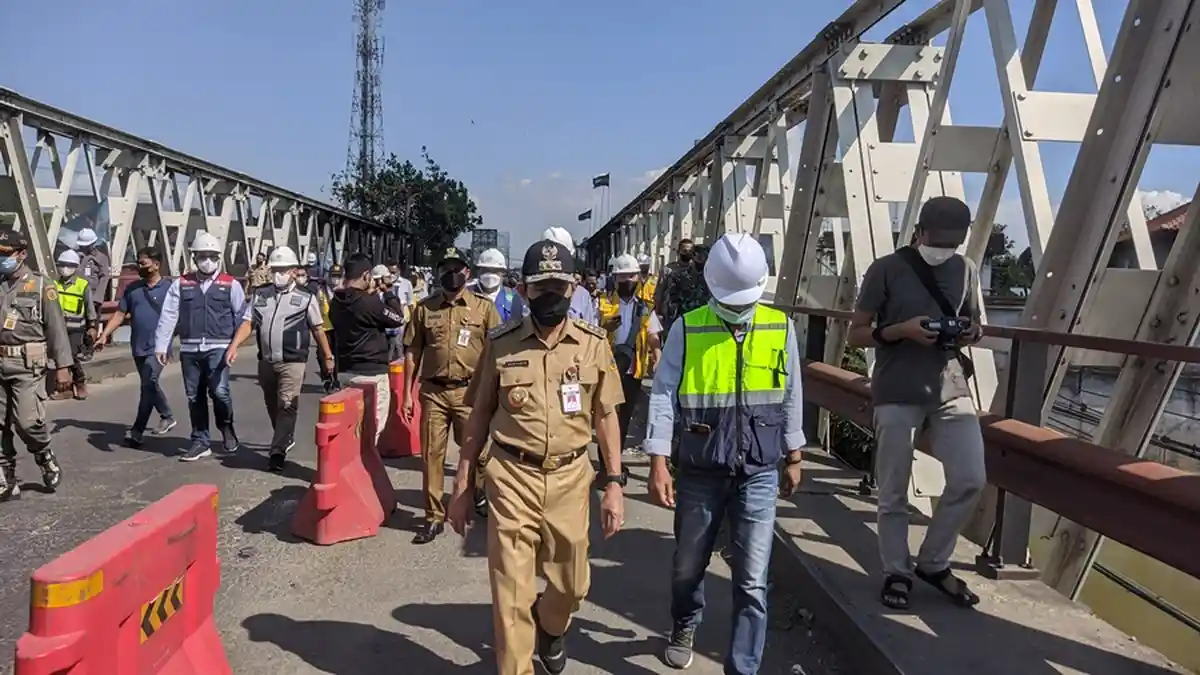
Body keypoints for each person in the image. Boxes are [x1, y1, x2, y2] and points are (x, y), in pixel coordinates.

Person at [446, 239, 626, 675]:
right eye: (540, 287)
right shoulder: (501, 345)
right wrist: (463, 484)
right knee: (510, 595)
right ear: (524, 291)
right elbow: (479, 417)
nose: (550, 295)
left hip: (570, 479)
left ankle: (550, 625)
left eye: (559, 287)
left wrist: (615, 484)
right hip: (511, 476)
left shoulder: (592, 344)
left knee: (572, 586)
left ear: (572, 290)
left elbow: (606, 416)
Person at [645, 233, 805, 673]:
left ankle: (743, 668)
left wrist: (795, 453)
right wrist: (658, 460)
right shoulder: (688, 327)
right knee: (688, 563)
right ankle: (685, 621)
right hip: (700, 467)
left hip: (759, 468)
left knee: (753, 581)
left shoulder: (779, 326)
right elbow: (662, 395)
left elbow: (791, 392)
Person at [846, 195, 986, 611]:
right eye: (938, 240)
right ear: (920, 231)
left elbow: (978, 324)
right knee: (893, 490)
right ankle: (896, 571)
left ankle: (933, 562)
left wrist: (968, 333)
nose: (945, 249)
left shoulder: (967, 270)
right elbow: (856, 333)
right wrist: (900, 331)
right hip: (896, 388)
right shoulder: (887, 269)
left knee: (970, 477)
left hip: (949, 386)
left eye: (953, 243)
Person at [402, 247, 501, 544]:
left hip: (470, 392)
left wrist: (496, 393)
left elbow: (498, 352)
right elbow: (412, 351)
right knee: (432, 455)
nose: (452, 275)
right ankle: (433, 516)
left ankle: (480, 494)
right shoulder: (424, 309)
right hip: (433, 391)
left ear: (467, 273)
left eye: (457, 269)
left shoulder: (483, 309)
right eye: (446, 269)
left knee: (480, 454)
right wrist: (407, 393)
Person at [227, 246, 335, 472]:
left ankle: (277, 451)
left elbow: (317, 328)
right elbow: (248, 323)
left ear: (294, 271)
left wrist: (327, 355)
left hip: (293, 362)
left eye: (283, 270)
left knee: (287, 404)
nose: (278, 274)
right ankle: (284, 436)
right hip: (266, 360)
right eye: (275, 269)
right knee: (272, 404)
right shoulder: (260, 294)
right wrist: (234, 345)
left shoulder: (305, 298)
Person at [154, 231, 244, 462]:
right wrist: (162, 345)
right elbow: (169, 315)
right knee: (194, 396)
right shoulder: (181, 284)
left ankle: (226, 426)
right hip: (190, 349)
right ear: (194, 258)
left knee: (219, 392)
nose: (207, 261)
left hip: (219, 347)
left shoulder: (230, 285)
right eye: (202, 256)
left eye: (212, 256)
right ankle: (200, 441)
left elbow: (242, 317)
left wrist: (234, 345)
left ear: (218, 258)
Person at [0, 228, 73, 501]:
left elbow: (56, 329)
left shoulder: (43, 286)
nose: (1, 259)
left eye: (5, 254)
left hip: (27, 365)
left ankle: (44, 455)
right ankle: (6, 478)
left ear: (22, 254)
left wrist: (63, 366)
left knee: (27, 422)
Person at [95, 246, 176, 446]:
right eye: (139, 263)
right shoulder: (133, 289)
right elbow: (120, 314)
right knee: (149, 385)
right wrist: (105, 334)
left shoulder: (170, 288)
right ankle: (166, 415)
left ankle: (138, 430)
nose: (139, 267)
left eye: (143, 263)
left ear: (156, 265)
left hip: (159, 347)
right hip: (138, 345)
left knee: (148, 384)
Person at [328, 253, 406, 446]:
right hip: (371, 372)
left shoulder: (336, 302)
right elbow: (397, 318)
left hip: (345, 369)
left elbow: (359, 310)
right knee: (373, 426)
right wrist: (388, 293)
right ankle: (365, 466)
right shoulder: (369, 303)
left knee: (350, 426)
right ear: (365, 275)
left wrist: (370, 296)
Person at [597, 254, 651, 470]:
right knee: (608, 416)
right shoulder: (604, 300)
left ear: (638, 276)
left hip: (633, 369)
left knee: (625, 417)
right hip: (609, 367)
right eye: (622, 277)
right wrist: (606, 327)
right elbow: (592, 329)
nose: (627, 280)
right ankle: (605, 465)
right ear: (615, 278)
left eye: (631, 276)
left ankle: (615, 462)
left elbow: (652, 333)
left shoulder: (645, 305)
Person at [510, 227, 597, 325]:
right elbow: (514, 332)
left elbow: (589, 329)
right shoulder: (523, 294)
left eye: (559, 288)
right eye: (541, 289)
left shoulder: (582, 295)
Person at [51, 249, 96, 400]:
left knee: (71, 356)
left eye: (69, 265)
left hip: (76, 328)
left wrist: (92, 326)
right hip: (58, 327)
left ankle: (80, 381)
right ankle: (66, 388)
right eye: (62, 265)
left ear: (76, 267)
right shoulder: (53, 284)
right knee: (58, 356)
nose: (65, 268)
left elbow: (90, 307)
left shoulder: (82, 285)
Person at [656, 243, 711, 336]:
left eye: (705, 257)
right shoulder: (679, 277)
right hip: (685, 323)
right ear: (693, 256)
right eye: (700, 256)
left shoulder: (713, 278)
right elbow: (671, 303)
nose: (703, 260)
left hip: (707, 324)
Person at [469, 248, 517, 322]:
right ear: (478, 270)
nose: (490, 275)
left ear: (503, 272)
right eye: (486, 270)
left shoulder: (513, 298)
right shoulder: (467, 294)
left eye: (495, 271)